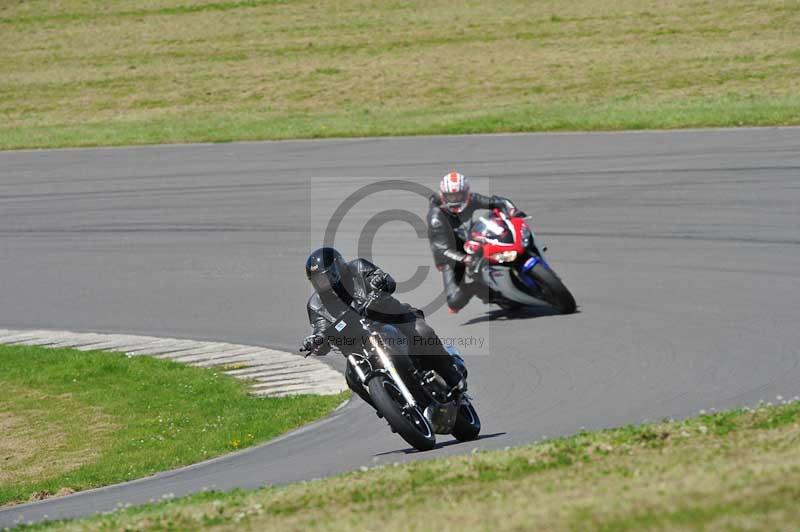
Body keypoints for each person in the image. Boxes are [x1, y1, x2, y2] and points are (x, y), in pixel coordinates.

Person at [301, 247, 466, 410]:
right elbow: (320, 329)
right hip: (360, 346)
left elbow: (387, 281)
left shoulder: (358, 268)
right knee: (352, 379)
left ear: (338, 268)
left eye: (326, 278)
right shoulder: (316, 305)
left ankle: (452, 375)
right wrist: (317, 341)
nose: (324, 285)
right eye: (317, 282)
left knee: (422, 333)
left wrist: (380, 281)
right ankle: (388, 408)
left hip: (395, 320)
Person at [427, 171, 518, 313]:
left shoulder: (471, 199)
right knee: (454, 302)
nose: (455, 199)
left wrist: (512, 211)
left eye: (459, 195)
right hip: (450, 254)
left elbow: (497, 201)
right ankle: (481, 289)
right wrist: (465, 258)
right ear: (443, 195)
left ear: (466, 192)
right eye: (451, 196)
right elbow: (442, 250)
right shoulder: (436, 217)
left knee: (499, 229)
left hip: (473, 240)